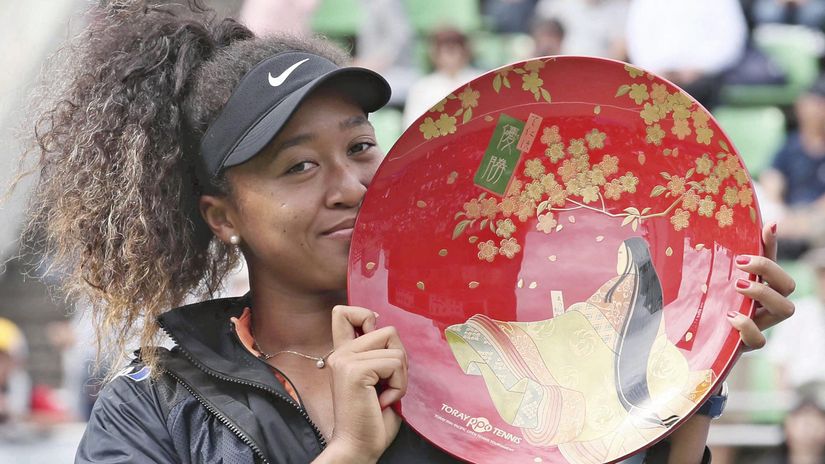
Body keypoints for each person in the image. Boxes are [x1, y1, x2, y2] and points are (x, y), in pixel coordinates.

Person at [13, 1, 795, 462]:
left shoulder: (489, 353)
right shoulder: (154, 407)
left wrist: (689, 379)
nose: (350, 185)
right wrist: (349, 453)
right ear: (223, 217)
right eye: (298, 168)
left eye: (359, 148)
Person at [760, 77, 825, 256]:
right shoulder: (791, 144)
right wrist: (779, 209)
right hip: (787, 215)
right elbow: (772, 176)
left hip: (814, 220)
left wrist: (802, 221)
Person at [402, 27, 482, 127]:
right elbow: (411, 127)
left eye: (454, 48)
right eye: (445, 49)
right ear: (435, 54)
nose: (450, 55)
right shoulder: (421, 88)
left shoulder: (480, 81)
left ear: (464, 51)